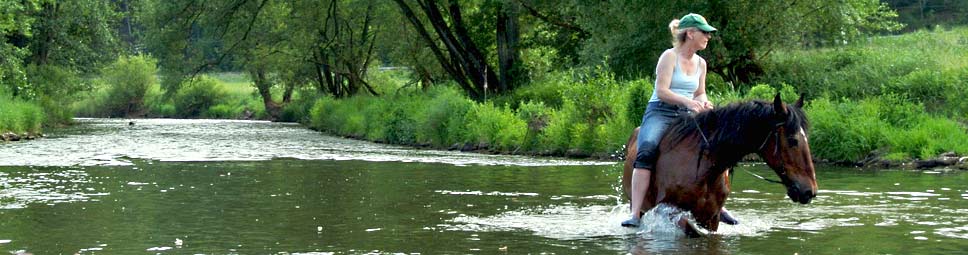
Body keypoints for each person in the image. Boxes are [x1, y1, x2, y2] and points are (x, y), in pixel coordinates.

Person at [622, 13, 738, 227]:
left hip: (687, 114)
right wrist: (688, 102)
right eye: (704, 32)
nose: (708, 37)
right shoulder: (669, 56)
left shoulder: (701, 63)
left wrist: (704, 103)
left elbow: (700, 92)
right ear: (690, 33)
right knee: (646, 149)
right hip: (660, 112)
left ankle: (717, 204)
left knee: (717, 145)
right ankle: (635, 213)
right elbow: (662, 91)